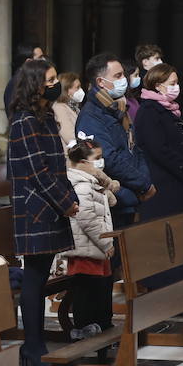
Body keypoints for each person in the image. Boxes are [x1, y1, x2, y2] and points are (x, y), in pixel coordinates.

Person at [6, 58, 78, 366]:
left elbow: (58, 165)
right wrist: (66, 202)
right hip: (36, 209)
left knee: (40, 275)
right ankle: (33, 346)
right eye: (48, 80)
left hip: (48, 206)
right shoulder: (25, 120)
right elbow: (38, 171)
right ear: (35, 84)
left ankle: (34, 345)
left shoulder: (44, 116)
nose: (54, 85)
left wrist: (69, 197)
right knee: (34, 279)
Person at [76, 52, 154, 228]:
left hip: (131, 196)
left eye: (123, 75)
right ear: (101, 82)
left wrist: (144, 181)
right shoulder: (91, 116)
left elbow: (134, 147)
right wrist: (142, 184)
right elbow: (108, 157)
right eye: (117, 76)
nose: (123, 80)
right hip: (114, 199)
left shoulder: (117, 108)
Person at [61, 138, 116, 340]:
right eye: (97, 159)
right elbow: (86, 219)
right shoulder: (81, 185)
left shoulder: (91, 182)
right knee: (87, 289)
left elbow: (112, 200)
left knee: (102, 287)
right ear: (83, 162)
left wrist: (105, 181)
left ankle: (103, 325)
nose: (101, 163)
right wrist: (106, 242)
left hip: (96, 246)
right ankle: (85, 328)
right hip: (87, 247)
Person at [133, 63, 183, 221]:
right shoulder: (149, 111)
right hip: (162, 183)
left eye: (177, 83)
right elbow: (158, 148)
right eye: (172, 84)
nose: (176, 87)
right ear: (158, 86)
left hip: (177, 180)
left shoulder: (171, 110)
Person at [3, 40, 46, 112]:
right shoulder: (17, 83)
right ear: (29, 61)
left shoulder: (31, 80)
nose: (43, 61)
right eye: (40, 58)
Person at [53, 71, 84, 146]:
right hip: (73, 154)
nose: (81, 90)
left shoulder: (74, 107)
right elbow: (69, 137)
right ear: (67, 90)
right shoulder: (60, 108)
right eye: (77, 87)